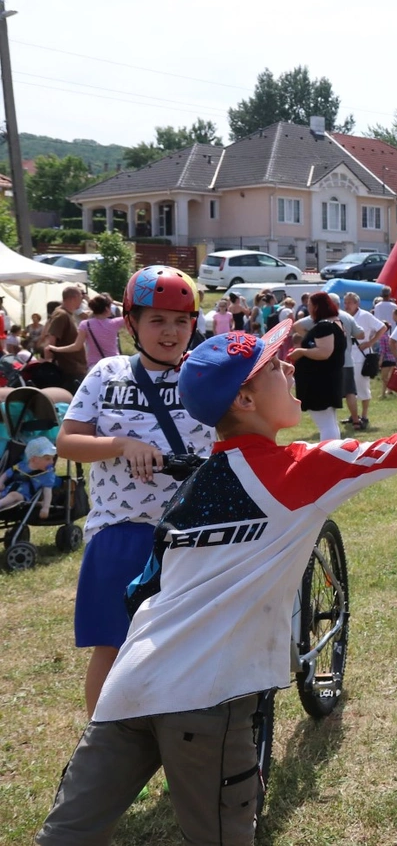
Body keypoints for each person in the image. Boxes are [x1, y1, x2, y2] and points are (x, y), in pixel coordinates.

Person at [35, 323, 397, 846]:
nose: (290, 368)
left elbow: (143, 588)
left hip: (128, 685)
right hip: (209, 698)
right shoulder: (294, 471)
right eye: (274, 367)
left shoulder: (193, 488)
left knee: (66, 836)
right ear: (244, 401)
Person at [56, 266, 212, 718]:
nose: (171, 332)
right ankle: (100, 753)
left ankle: (181, 747)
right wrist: (122, 445)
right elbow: (69, 441)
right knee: (111, 645)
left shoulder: (205, 377)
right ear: (132, 324)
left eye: (181, 321)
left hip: (192, 537)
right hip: (121, 531)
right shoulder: (108, 373)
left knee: (187, 648)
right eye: (158, 320)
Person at [288, 292, 347, 441]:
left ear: (316, 307)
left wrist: (301, 351)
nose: (308, 308)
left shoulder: (325, 326)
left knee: (326, 424)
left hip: (320, 382)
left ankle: (329, 455)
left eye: (309, 305)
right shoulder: (334, 323)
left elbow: (324, 352)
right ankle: (334, 453)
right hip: (327, 379)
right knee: (329, 422)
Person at [342, 291, 386, 431]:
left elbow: (382, 327)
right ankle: (353, 415)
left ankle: (364, 416)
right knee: (350, 388)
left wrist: (370, 342)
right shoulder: (344, 317)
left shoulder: (365, 316)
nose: (346, 305)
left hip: (362, 356)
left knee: (362, 387)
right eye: (345, 302)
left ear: (356, 303)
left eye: (349, 302)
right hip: (348, 356)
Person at [44, 294, 124, 370]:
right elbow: (132, 314)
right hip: (114, 363)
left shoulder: (86, 324)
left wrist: (56, 349)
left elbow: (76, 346)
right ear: (107, 309)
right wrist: (119, 304)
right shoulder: (115, 323)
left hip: (95, 366)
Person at [0, 436, 59, 518]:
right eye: (48, 459)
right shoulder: (21, 466)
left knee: (14, 495)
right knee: (9, 495)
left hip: (23, 498)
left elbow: (47, 492)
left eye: (52, 458)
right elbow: (7, 473)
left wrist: (46, 508)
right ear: (34, 459)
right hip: (6, 491)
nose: (52, 462)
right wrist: (1, 481)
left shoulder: (47, 475)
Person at [44, 285, 88, 391]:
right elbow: (51, 340)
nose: (81, 302)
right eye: (80, 299)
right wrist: (48, 362)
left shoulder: (68, 314)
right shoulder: (61, 315)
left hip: (75, 367)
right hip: (69, 369)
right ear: (72, 298)